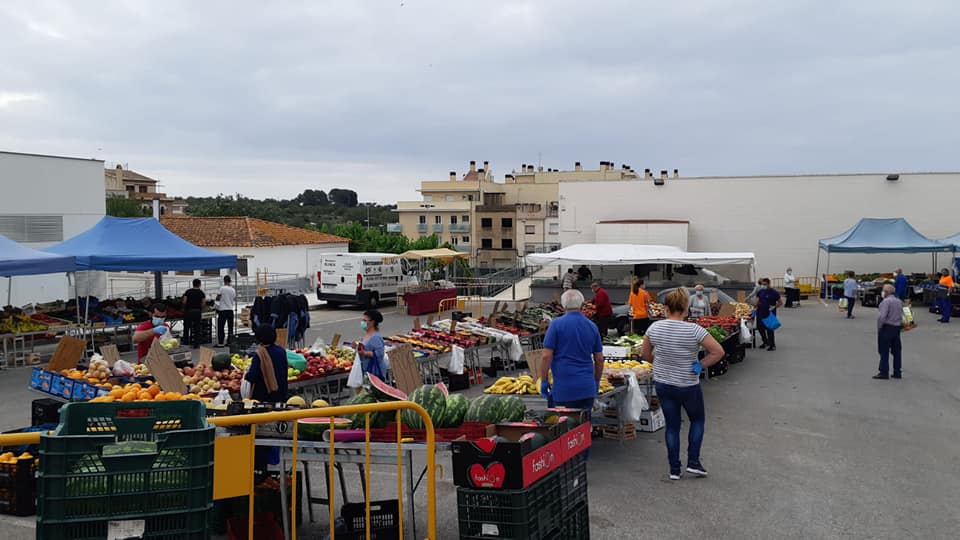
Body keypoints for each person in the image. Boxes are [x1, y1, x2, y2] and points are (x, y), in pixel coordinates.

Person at [640, 288, 724, 480]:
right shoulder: (695, 330)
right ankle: (693, 462)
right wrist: (700, 365)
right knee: (697, 420)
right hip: (688, 384)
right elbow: (718, 352)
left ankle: (674, 469)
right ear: (686, 309)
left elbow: (645, 354)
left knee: (672, 426)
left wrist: (658, 363)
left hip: (663, 383)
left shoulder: (654, 328)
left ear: (666, 308)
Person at [540, 289, 604, 411]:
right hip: (587, 388)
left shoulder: (556, 325)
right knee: (584, 427)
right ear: (582, 304)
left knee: (564, 427)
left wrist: (544, 380)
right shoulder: (592, 326)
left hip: (563, 389)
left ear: (563, 305)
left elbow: (546, 356)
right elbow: (599, 359)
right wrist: (596, 381)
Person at [245, 325, 289, 403]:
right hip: (282, 393)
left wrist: (246, 374)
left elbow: (252, 376)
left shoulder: (260, 354)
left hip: (264, 397)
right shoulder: (281, 351)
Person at [873, 284, 903, 380]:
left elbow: (882, 317)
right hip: (897, 328)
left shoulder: (886, 302)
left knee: (884, 351)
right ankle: (897, 371)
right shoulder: (899, 301)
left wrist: (879, 327)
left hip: (887, 327)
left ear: (886, 292)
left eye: (883, 291)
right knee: (897, 351)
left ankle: (884, 372)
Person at [356, 310, 387, 379]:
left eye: (364, 320)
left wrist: (364, 353)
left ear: (372, 322)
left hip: (375, 372)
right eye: (362, 320)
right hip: (367, 370)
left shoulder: (375, 337)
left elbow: (380, 354)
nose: (362, 322)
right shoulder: (368, 334)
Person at [755, 278, 782, 351]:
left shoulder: (774, 292)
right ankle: (765, 341)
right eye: (762, 284)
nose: (763, 286)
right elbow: (758, 300)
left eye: (765, 284)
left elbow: (780, 303)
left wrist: (774, 307)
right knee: (760, 327)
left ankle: (772, 345)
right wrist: (756, 305)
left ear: (769, 284)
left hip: (769, 313)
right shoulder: (760, 291)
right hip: (760, 311)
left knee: (769, 328)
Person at [182, 279, 206, 349]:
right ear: (199, 284)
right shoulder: (201, 293)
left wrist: (184, 308)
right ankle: (196, 344)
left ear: (193, 284)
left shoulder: (188, 291)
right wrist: (199, 307)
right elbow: (203, 303)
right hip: (197, 311)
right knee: (197, 328)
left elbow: (184, 301)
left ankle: (186, 342)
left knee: (186, 327)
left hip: (188, 311)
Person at [215, 275, 237, 348]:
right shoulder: (233, 290)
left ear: (224, 281)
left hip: (223, 310)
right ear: (230, 281)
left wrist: (216, 305)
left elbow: (218, 298)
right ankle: (229, 342)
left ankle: (221, 343)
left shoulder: (222, 288)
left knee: (221, 327)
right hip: (230, 310)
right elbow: (233, 299)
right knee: (230, 327)